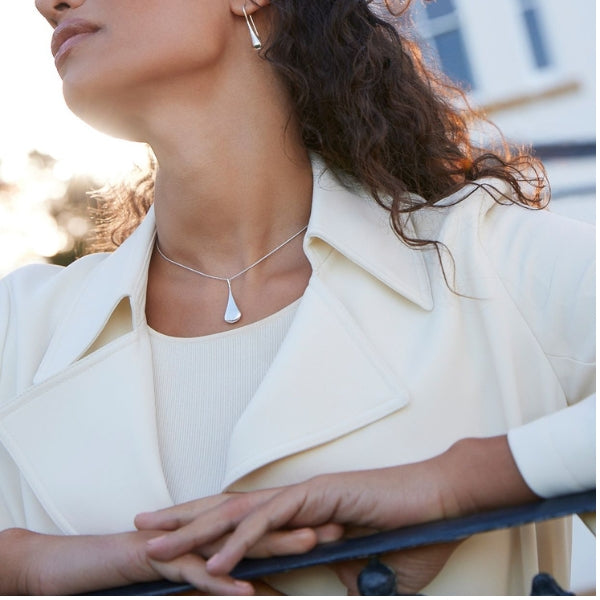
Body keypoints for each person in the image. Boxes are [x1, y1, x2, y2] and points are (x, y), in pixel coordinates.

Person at [0, 0, 594, 595]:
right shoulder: (20, 325)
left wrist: (454, 484)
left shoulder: (484, 255)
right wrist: (28, 566)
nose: (47, 4)